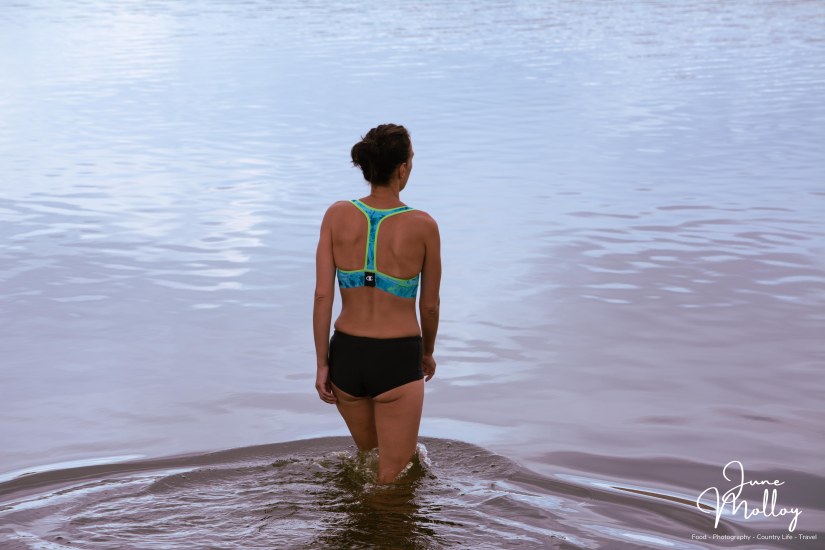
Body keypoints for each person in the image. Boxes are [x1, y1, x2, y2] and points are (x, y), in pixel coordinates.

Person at [313, 123, 441, 484]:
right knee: (392, 479)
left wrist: (323, 364)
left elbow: (323, 296)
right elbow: (429, 306)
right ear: (402, 168)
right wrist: (427, 352)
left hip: (347, 358)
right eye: (411, 159)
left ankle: (362, 532)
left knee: (369, 462)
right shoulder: (423, 225)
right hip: (397, 358)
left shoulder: (336, 215)